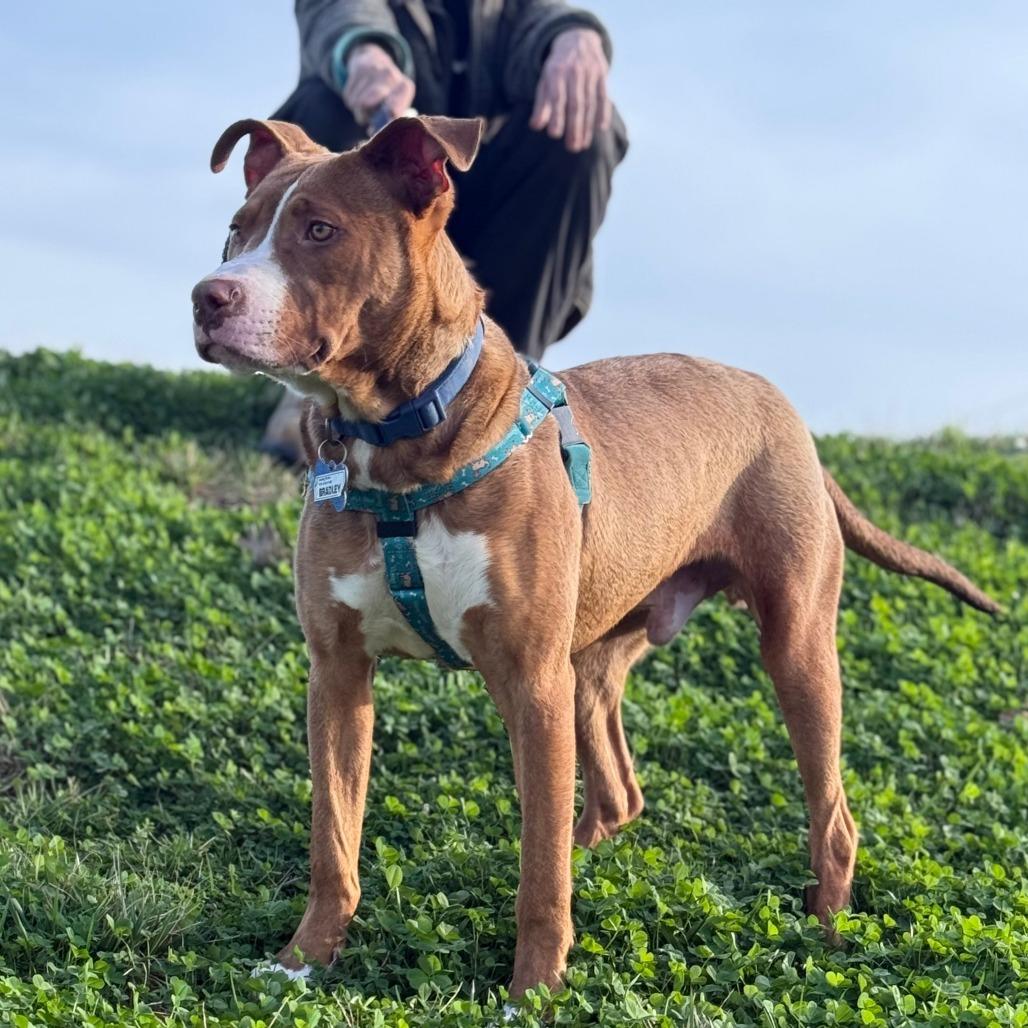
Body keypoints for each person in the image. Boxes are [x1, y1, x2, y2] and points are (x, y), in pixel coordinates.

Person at [261, 0, 627, 461]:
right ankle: (317, 363)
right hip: (376, 193)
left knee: (583, 132)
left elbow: (538, 13)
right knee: (326, 103)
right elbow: (338, 9)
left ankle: (505, 390)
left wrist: (575, 34)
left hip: (490, 195)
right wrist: (365, 53)